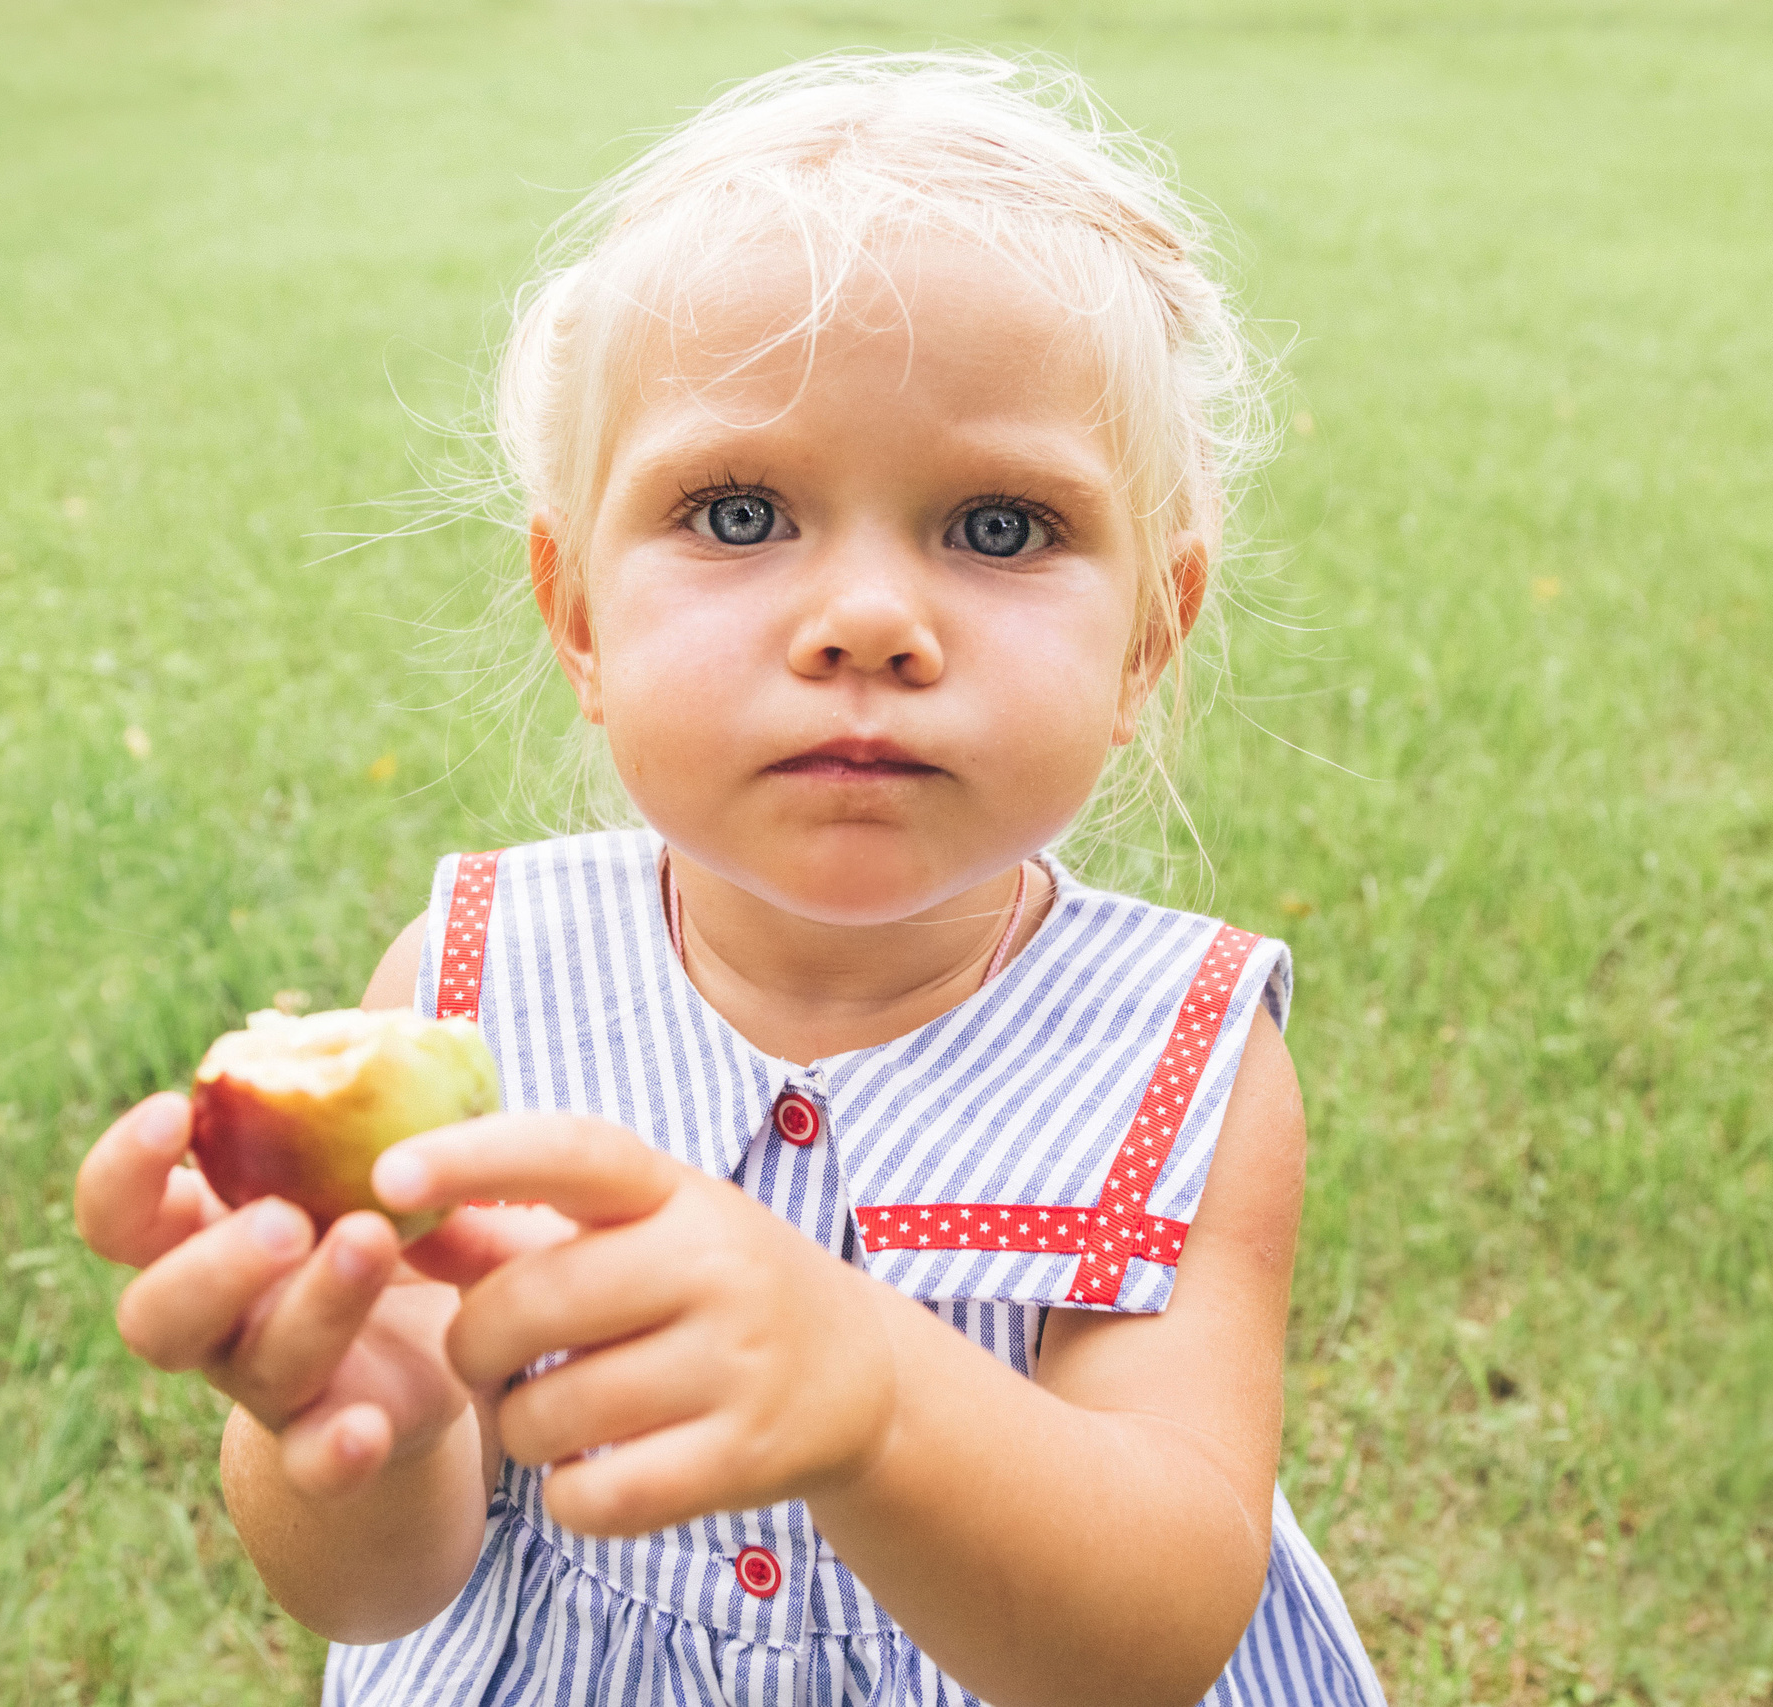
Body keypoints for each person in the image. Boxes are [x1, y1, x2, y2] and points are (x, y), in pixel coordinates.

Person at [74, 51, 1386, 1707]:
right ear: (579, 618)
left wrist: (876, 1392)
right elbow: (368, 1596)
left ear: (1147, 637)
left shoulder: (1178, 1063)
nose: (865, 621)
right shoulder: (469, 990)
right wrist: (364, 1427)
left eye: (996, 527)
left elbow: (1149, 1637)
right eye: (740, 507)